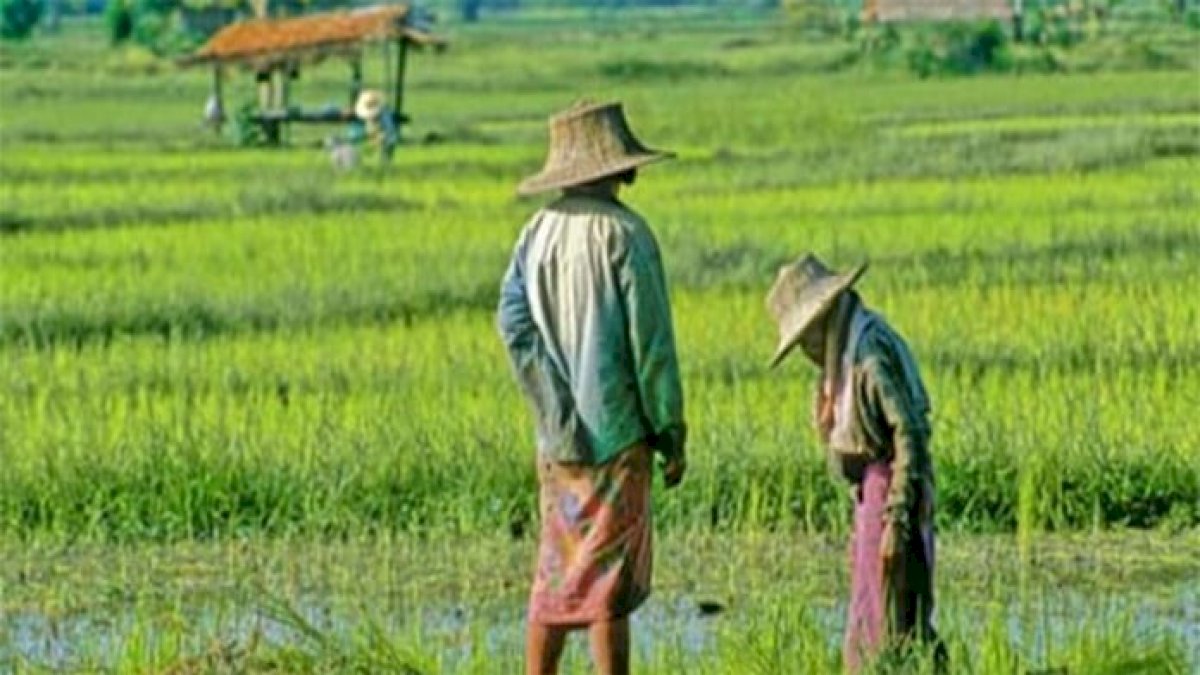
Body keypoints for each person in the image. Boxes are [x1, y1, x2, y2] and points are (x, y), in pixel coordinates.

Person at [497, 101, 688, 675]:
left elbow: (512, 322)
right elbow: (651, 346)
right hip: (619, 433)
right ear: (620, 165)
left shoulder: (537, 231)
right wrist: (670, 429)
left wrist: (550, 402)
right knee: (609, 579)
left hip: (557, 441)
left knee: (556, 571)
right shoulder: (627, 234)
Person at [766, 254, 945, 672]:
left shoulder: (867, 355)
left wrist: (896, 522)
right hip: (874, 496)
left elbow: (910, 432)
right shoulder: (841, 357)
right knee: (884, 621)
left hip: (895, 493)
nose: (806, 352)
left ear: (822, 319)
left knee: (899, 620)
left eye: (805, 339)